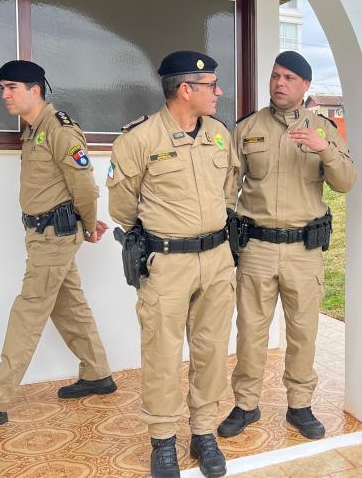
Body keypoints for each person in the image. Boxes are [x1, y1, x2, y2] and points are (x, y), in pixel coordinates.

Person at [0, 60, 115, 431]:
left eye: (11, 88)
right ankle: (98, 374)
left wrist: (89, 224)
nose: (4, 95)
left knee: (28, 312)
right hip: (44, 235)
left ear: (34, 90)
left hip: (55, 237)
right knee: (68, 306)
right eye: (2, 89)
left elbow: (85, 185)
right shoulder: (33, 130)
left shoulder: (59, 130)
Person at [107, 51, 235, 478]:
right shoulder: (139, 139)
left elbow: (230, 186)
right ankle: (163, 442)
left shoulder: (219, 133)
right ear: (186, 90)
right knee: (162, 354)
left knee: (212, 351)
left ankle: (203, 434)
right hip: (167, 263)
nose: (218, 92)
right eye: (211, 85)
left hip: (217, 260)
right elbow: (123, 207)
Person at [218, 51, 356, 440]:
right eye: (276, 76)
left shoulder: (324, 128)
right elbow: (228, 187)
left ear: (306, 86)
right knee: (250, 331)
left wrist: (323, 148)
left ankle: (300, 405)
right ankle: (245, 404)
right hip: (257, 247)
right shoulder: (247, 128)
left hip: (303, 249)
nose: (280, 83)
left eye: (290, 78)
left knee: (303, 330)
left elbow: (346, 181)